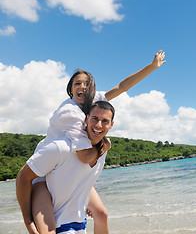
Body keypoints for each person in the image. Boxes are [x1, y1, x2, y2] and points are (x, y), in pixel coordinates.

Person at [28, 50, 166, 233]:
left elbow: (122, 87)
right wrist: (105, 145)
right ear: (71, 88)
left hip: (70, 169)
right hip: (45, 173)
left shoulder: (94, 102)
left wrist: (151, 67)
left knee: (101, 213)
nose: (82, 87)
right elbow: (85, 157)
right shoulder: (70, 112)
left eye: (87, 84)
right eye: (77, 83)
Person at [16, 101, 115, 234]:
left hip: (77, 220)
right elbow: (23, 176)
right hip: (55, 217)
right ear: (86, 119)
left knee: (102, 215)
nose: (98, 125)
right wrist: (28, 221)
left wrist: (83, 197)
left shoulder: (103, 148)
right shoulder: (61, 148)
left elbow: (81, 175)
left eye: (105, 121)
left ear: (111, 125)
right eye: (95, 119)